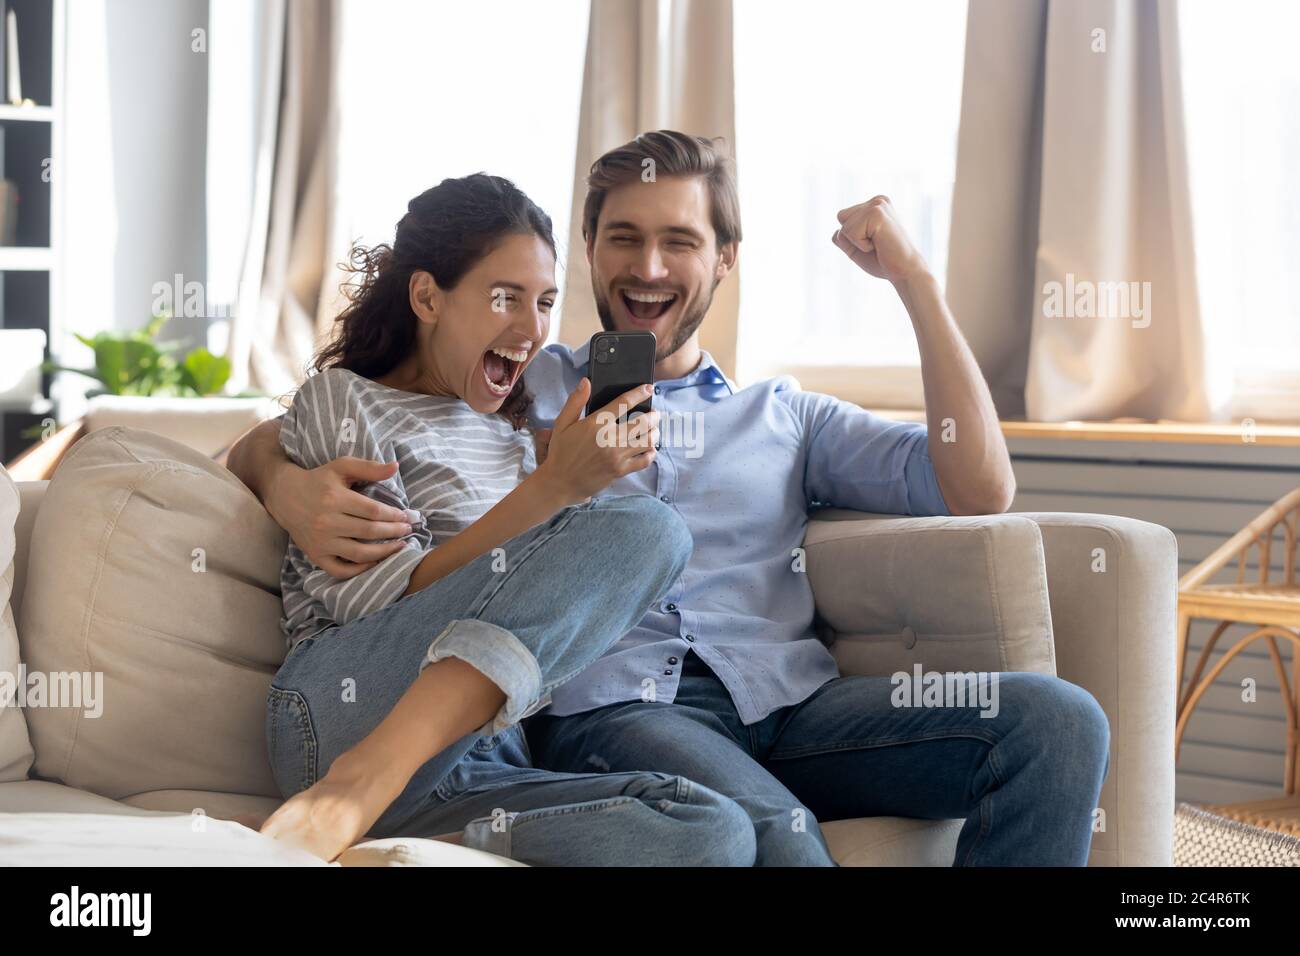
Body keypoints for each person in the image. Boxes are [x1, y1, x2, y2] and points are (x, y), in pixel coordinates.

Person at [232, 132, 1111, 866]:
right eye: (623, 237)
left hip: (789, 708)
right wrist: (281, 479)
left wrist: (917, 284)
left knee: (1055, 723)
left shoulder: (784, 415)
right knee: (779, 837)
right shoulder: (517, 382)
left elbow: (980, 487)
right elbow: (347, 403)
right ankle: (363, 789)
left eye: (680, 242)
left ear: (725, 259)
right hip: (620, 714)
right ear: (590, 251)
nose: (648, 266)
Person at [256, 172, 756, 866]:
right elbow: (379, 600)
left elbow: (530, 611)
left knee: (715, 832)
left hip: (474, 765)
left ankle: (400, 845)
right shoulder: (346, 402)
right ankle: (357, 784)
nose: (531, 329)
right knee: (652, 529)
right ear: (427, 296)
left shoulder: (512, 434)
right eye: (505, 298)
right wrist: (551, 491)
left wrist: (555, 485)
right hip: (339, 715)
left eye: (546, 302)